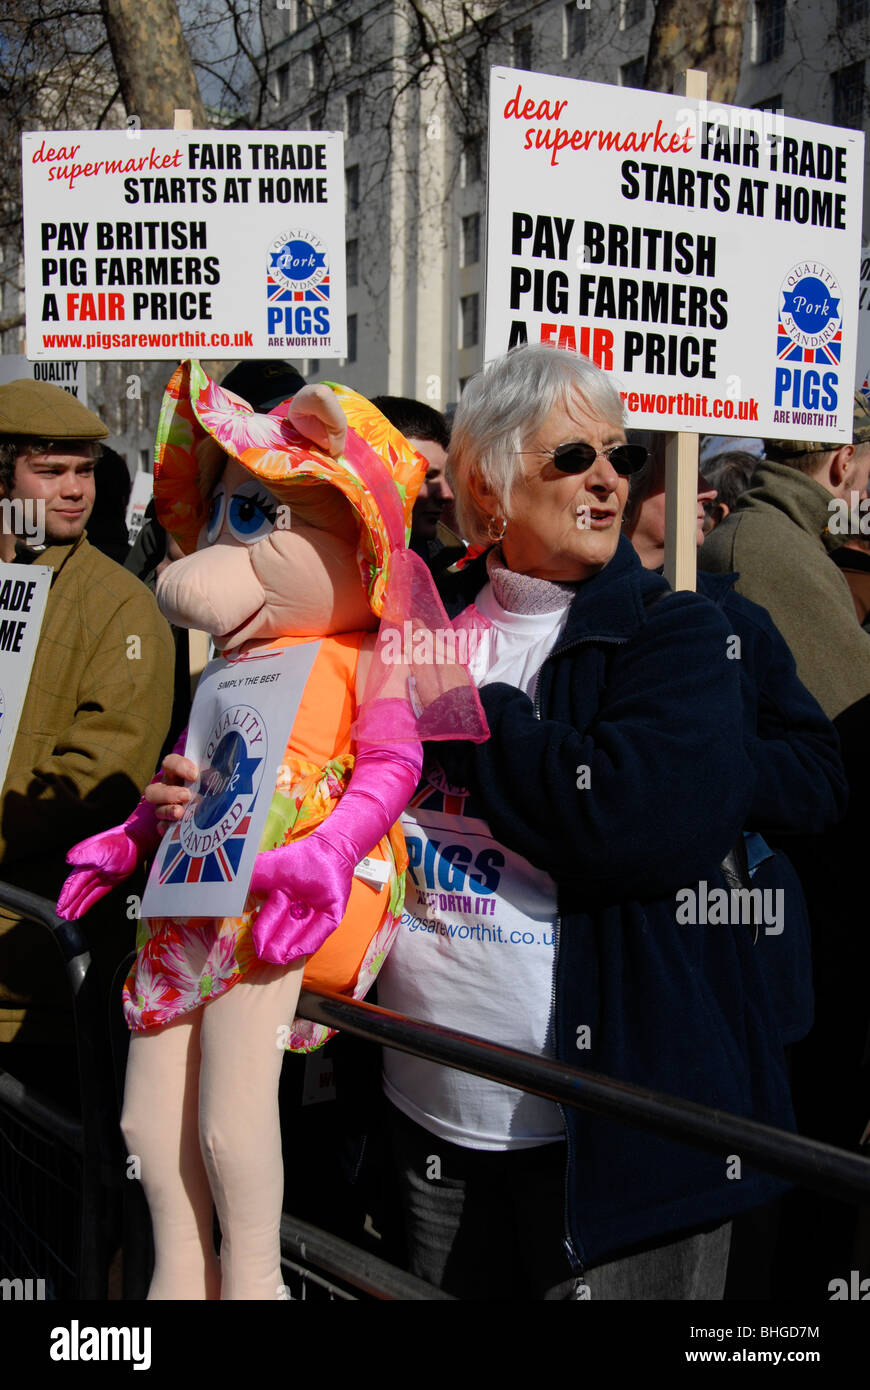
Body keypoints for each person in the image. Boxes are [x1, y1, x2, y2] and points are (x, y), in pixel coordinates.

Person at [375, 344, 795, 1300]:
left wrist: (473, 707)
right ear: (486, 482)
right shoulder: (410, 621)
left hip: (606, 1145)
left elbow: (622, 822)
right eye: (573, 458)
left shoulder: (679, 632)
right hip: (426, 1109)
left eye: (622, 455)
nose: (609, 479)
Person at [700, 400, 870, 1290]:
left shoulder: (774, 542)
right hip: (802, 913)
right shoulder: (768, 549)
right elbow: (839, 752)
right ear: (842, 466)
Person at [0, 380, 174, 1101]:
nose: (75, 490)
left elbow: (100, 778)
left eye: (84, 470)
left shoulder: (120, 605)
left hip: (34, 972)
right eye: (50, 471)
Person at [370, 396, 464, 573]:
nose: (447, 494)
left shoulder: (451, 579)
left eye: (447, 477)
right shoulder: (328, 570)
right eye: (427, 476)